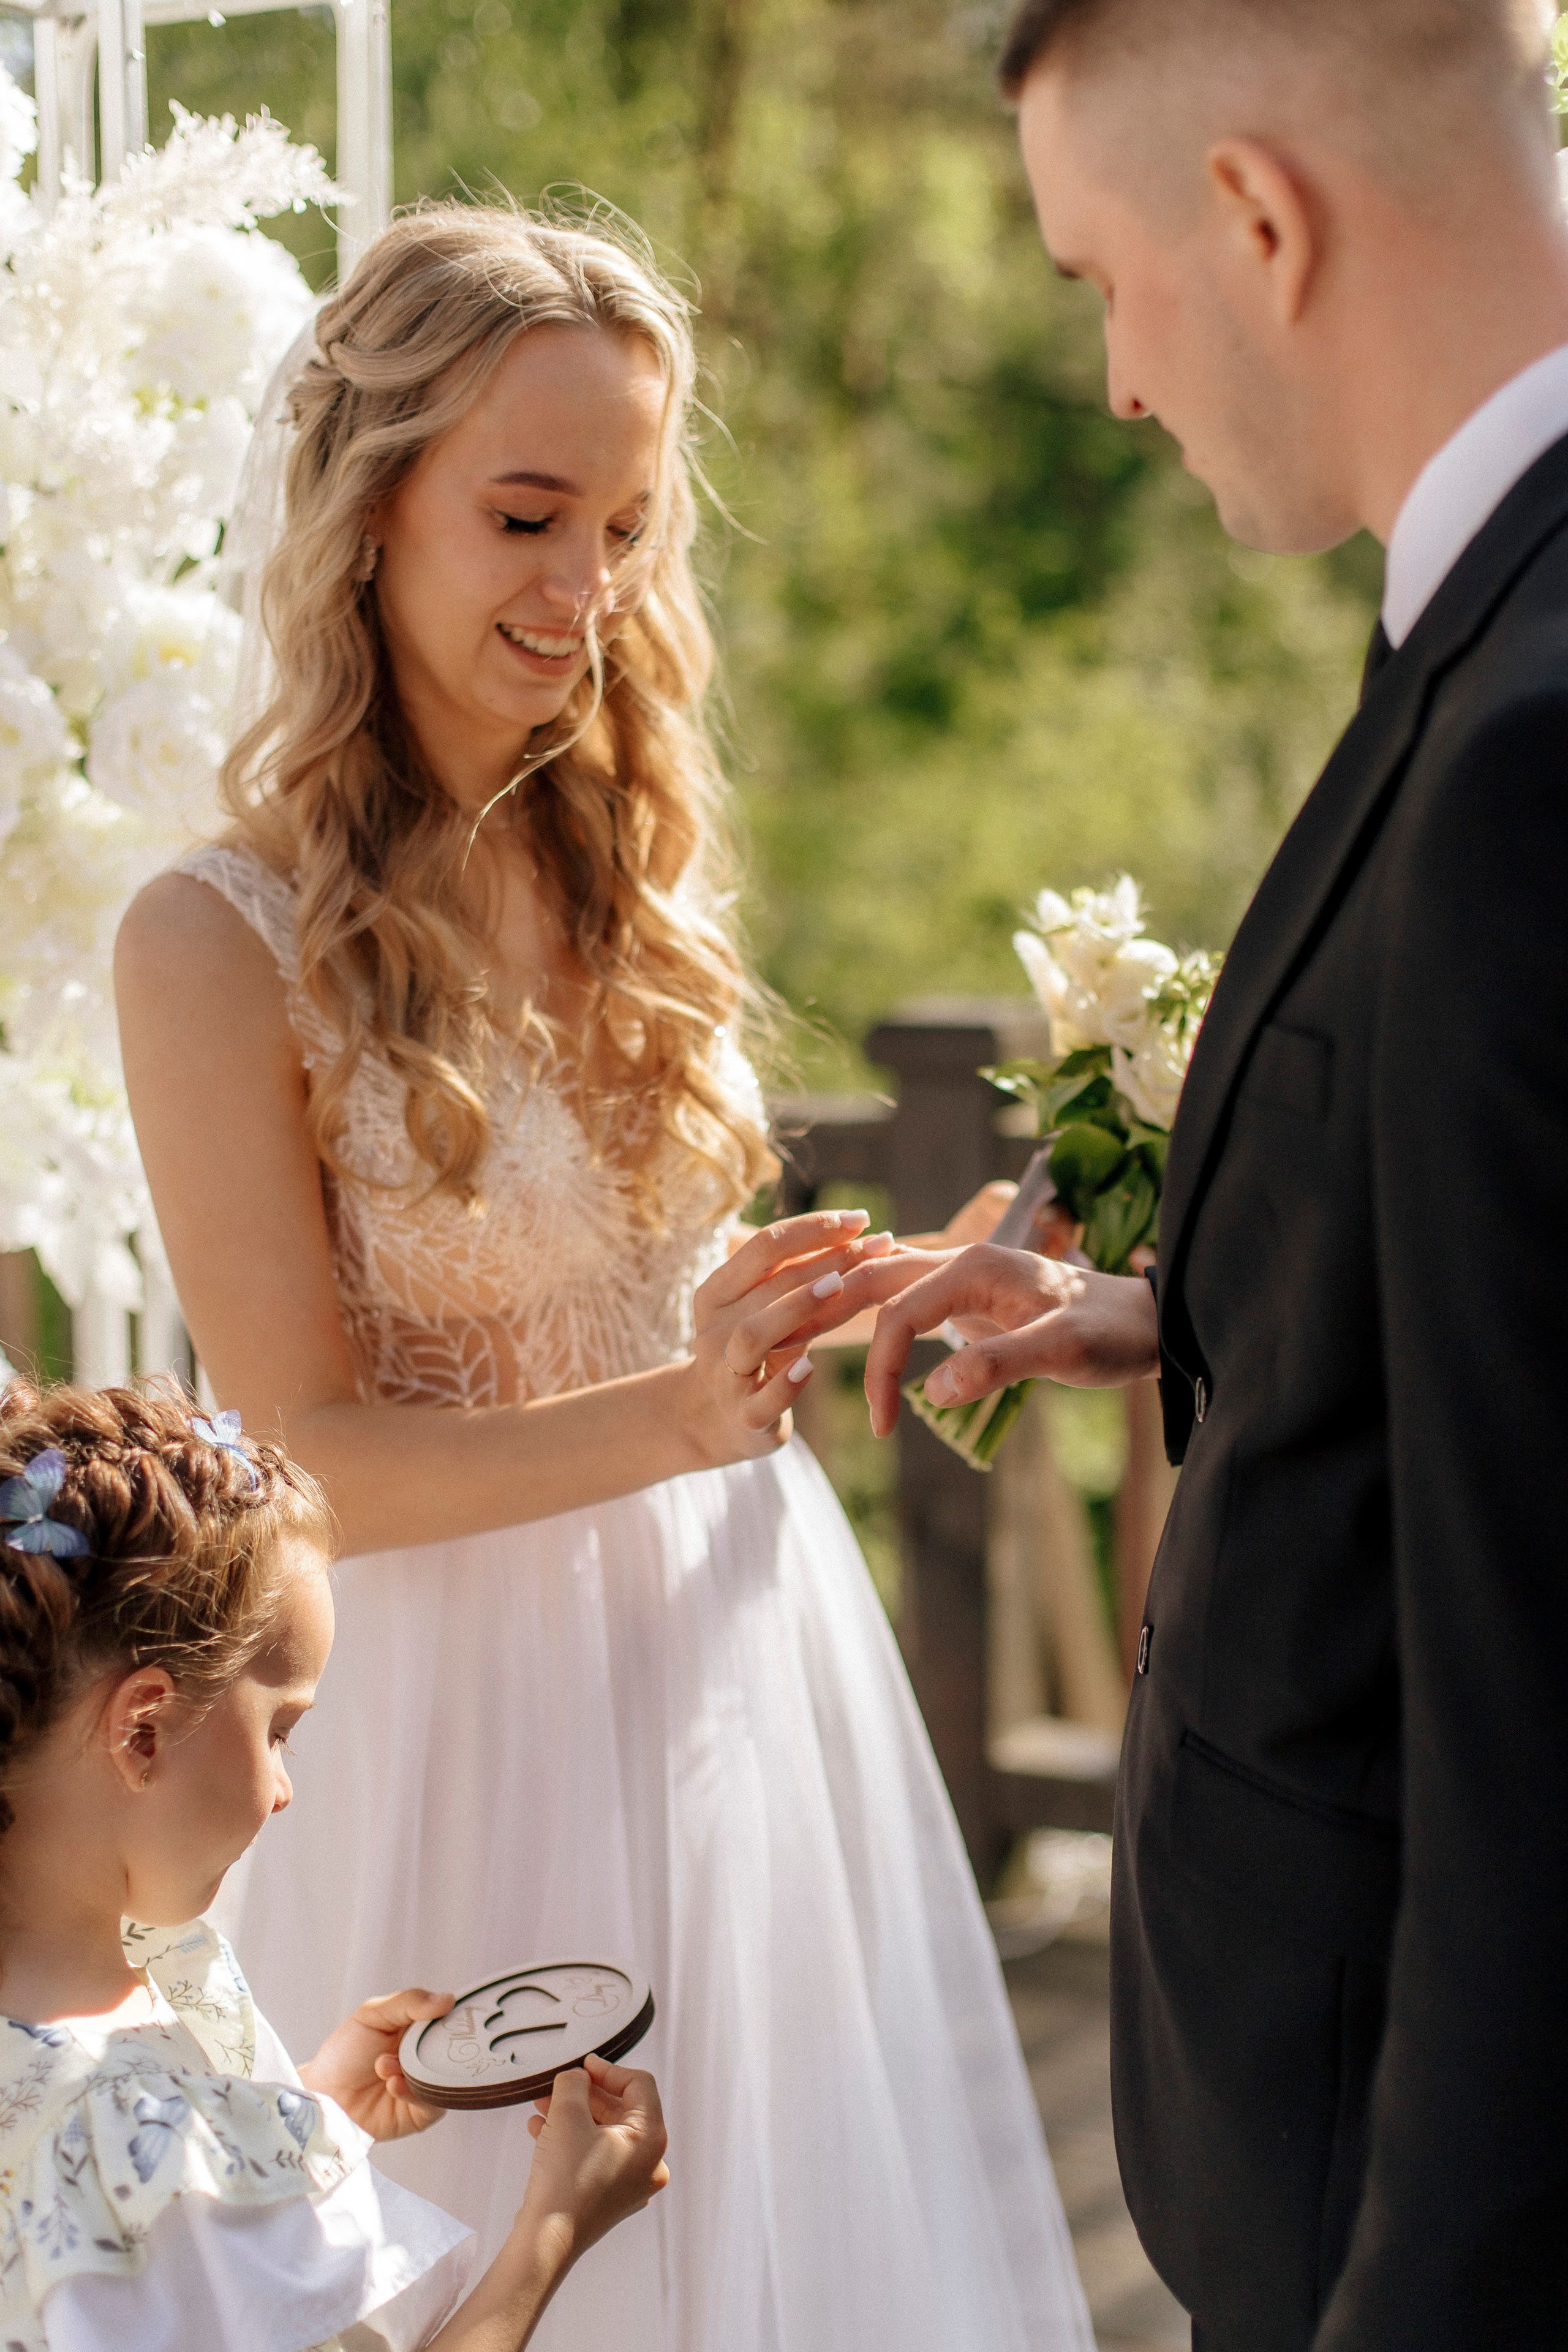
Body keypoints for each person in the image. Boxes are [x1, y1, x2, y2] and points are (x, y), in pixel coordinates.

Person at [113, 204, 1092, 2351]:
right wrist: (682, 1409)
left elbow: (626, 1279)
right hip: (433, 1716)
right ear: (369, 510)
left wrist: (846, 1288)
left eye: (631, 525)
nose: (587, 592)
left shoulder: (620, 856)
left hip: (739, 1668)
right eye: (528, 514)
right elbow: (300, 1456)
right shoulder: (213, 938)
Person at [853, 3, 1568, 2346]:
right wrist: (1207, 1302)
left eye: (1096, 282)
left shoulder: (1534, 749)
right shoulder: (1476, 624)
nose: (1121, 382)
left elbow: (1536, 1753)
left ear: (1257, 217)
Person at [0, 1378, 669, 2352]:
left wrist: (303, 2108)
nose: (282, 1789)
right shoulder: (122, 2126)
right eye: (281, 1729)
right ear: (143, 1730)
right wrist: (557, 2227)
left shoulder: (160, 1986)